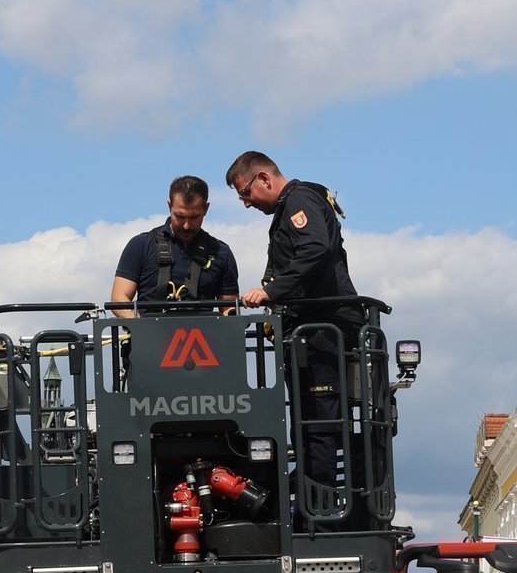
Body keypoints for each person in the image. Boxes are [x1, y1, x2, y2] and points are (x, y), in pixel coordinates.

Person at [226, 151, 363, 503]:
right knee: (307, 425)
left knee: (318, 425)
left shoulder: (300, 200)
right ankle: (309, 501)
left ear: (263, 179)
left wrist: (272, 291)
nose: (246, 203)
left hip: (324, 328)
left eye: (245, 193)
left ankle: (321, 512)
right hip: (310, 330)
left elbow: (316, 247)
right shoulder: (292, 206)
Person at [110, 177, 239, 316]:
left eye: (194, 217)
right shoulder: (140, 245)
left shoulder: (221, 252)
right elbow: (118, 300)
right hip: (146, 328)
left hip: (203, 330)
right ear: (169, 206)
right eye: (180, 216)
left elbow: (229, 311)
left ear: (206, 209)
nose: (186, 225)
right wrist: (140, 325)